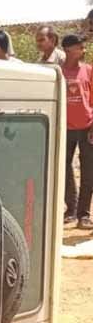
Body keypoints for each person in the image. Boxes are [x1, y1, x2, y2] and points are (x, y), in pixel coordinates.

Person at [61, 35, 93, 228]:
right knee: (64, 169)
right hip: (65, 128)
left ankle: (84, 214)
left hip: (87, 127)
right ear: (68, 50)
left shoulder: (88, 70)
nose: (83, 50)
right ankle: (71, 210)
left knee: (88, 170)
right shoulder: (59, 72)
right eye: (79, 47)